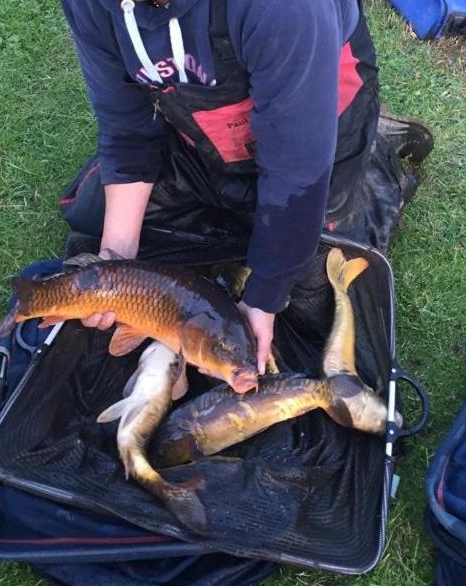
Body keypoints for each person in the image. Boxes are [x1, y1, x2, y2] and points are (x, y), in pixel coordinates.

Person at [58, 0, 432, 374]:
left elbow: (296, 174)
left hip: (314, 136)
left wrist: (265, 295)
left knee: (317, 298)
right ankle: (246, 209)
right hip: (208, 133)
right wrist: (116, 267)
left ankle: (374, 153)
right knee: (95, 214)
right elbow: (127, 132)